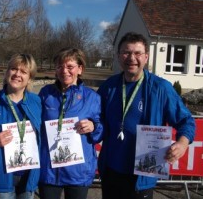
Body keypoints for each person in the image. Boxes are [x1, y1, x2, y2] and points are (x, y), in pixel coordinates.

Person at [97, 32, 196, 199]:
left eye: (137, 53)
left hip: (142, 175)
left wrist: (182, 143)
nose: (131, 58)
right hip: (111, 171)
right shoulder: (109, 86)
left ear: (146, 57)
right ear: (119, 56)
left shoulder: (160, 88)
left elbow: (186, 121)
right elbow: (96, 118)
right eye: (126, 52)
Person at [38, 47, 103, 199]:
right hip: (49, 169)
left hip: (78, 171)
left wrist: (93, 126)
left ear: (80, 69)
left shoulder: (92, 97)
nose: (64, 71)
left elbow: (101, 130)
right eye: (60, 66)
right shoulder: (45, 93)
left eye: (70, 67)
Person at [0, 53, 41, 199]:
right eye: (14, 69)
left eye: (23, 71)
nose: (17, 74)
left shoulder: (36, 102)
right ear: (7, 71)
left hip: (28, 177)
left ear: (30, 78)